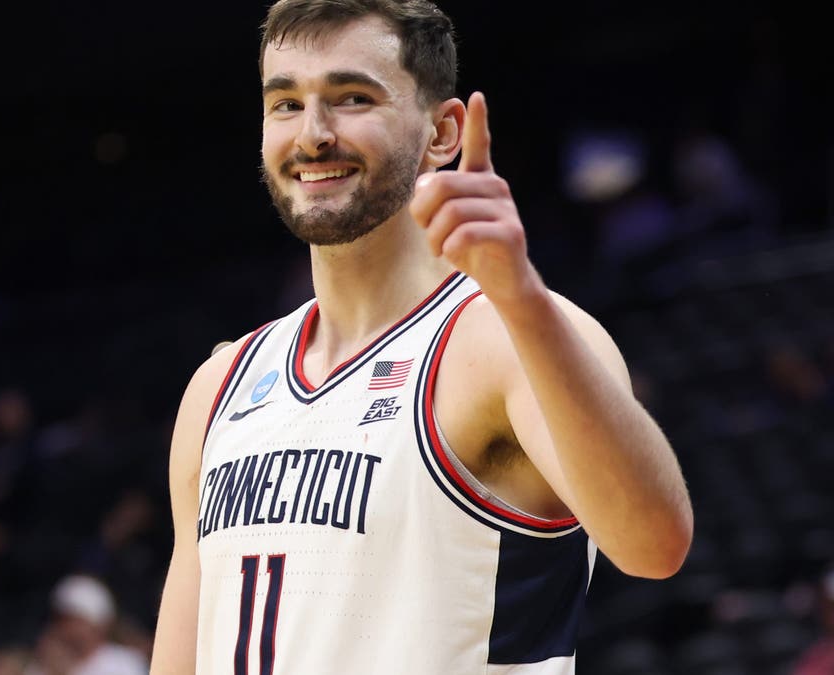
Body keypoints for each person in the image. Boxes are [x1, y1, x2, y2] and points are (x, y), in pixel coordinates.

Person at [149, 1, 693, 673]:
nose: (313, 134)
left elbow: (654, 543)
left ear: (442, 133)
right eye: (285, 103)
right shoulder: (218, 387)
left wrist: (521, 299)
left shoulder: (503, 339)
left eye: (351, 98)